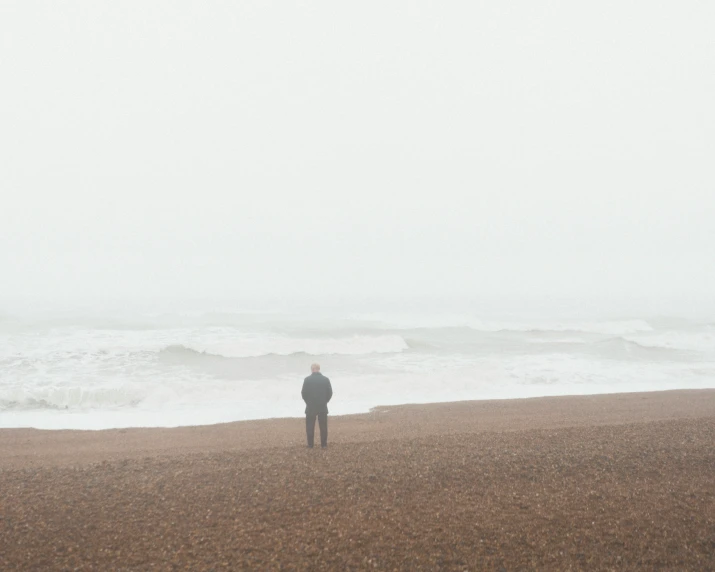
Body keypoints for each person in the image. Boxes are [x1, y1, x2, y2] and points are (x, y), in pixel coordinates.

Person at [301, 363, 333, 448]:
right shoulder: (325, 379)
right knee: (323, 427)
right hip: (322, 405)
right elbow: (330, 393)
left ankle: (310, 445)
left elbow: (303, 393)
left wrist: (308, 402)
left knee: (310, 427)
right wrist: (325, 401)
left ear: (312, 369)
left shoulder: (307, 380)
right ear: (319, 369)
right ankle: (324, 445)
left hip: (311, 406)